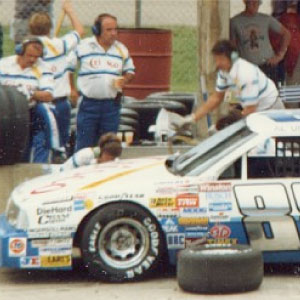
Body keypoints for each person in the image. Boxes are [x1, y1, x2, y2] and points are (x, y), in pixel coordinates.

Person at [172, 40, 285, 129]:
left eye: (221, 59)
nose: (218, 63)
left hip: (271, 109)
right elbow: (216, 98)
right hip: (252, 108)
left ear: (232, 57)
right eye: (216, 60)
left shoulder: (245, 74)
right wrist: (192, 118)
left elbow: (250, 110)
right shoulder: (224, 72)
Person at [68, 13, 135, 152]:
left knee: (108, 147)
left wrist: (125, 80)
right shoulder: (83, 46)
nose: (113, 33)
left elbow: (130, 71)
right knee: (84, 147)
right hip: (88, 105)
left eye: (115, 29)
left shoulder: (121, 49)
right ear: (97, 30)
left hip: (111, 106)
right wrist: (72, 89)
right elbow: (69, 68)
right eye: (109, 30)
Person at [29, 0, 85, 157]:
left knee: (40, 142)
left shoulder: (29, 47)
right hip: (59, 103)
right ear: (49, 28)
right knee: (60, 143)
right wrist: (69, 11)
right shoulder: (60, 44)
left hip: (38, 103)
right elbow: (80, 31)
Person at [0, 37, 58, 163]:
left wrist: (31, 93)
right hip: (6, 115)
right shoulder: (3, 65)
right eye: (29, 55)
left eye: (36, 57)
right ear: (20, 52)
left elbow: (48, 95)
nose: (32, 59)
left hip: (31, 111)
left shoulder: (43, 68)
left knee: (41, 135)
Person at [230, 0, 291, 85]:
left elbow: (286, 34)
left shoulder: (265, 19)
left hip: (268, 65)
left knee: (270, 95)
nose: (255, 5)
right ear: (245, 2)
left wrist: (280, 55)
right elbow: (232, 46)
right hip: (248, 68)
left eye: (257, 3)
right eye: (251, 2)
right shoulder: (235, 21)